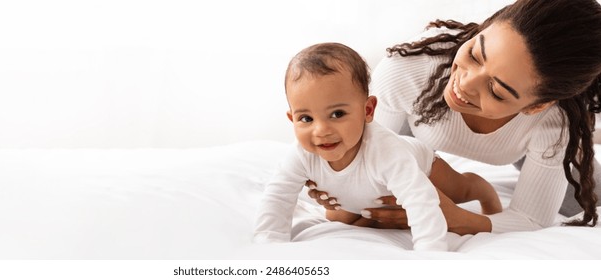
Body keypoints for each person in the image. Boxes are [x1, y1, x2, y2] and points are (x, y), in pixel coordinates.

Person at [309, 0, 601, 235]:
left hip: (527, 142)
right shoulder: (411, 69)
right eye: (475, 54)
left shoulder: (553, 124)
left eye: (496, 91)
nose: (464, 84)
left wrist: (459, 218)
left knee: (590, 200)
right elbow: (360, 167)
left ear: (537, 106)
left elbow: (531, 220)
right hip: (415, 127)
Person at [253, 42, 501, 251]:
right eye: (306, 118)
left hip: (420, 165)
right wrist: (268, 243)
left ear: (368, 110)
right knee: (342, 217)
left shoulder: (387, 152)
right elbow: (278, 196)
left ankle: (483, 189)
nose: (321, 130)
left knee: (460, 191)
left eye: (337, 114)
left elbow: (420, 199)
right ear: (292, 119)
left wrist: (430, 252)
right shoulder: (301, 154)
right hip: (366, 192)